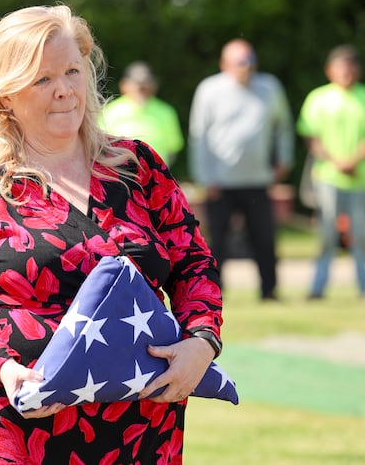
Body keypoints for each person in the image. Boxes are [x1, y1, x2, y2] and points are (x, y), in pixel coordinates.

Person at [0, 5, 224, 464]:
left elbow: (194, 263)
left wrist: (201, 341)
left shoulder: (136, 165)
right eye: (42, 79)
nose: (65, 90)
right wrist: (3, 368)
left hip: (136, 421)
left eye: (72, 70)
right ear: (5, 94)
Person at [188, 38, 294, 301]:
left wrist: (284, 159)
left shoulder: (270, 87)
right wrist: (204, 177)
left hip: (258, 179)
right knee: (217, 243)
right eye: (239, 62)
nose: (246, 67)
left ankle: (269, 290)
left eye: (250, 61)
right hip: (219, 182)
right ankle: (214, 293)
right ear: (225, 64)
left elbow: (284, 126)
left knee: (264, 238)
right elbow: (198, 135)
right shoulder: (209, 90)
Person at [296, 44, 365, 300]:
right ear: (329, 70)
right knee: (326, 236)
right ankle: (318, 288)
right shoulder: (319, 98)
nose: (346, 72)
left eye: (350, 66)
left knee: (361, 236)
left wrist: (353, 160)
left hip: (360, 178)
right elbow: (311, 136)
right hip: (328, 177)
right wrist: (336, 162)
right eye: (340, 66)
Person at [102, 61, 185, 165]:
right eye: (137, 83)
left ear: (154, 85)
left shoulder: (166, 112)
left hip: (157, 176)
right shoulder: (110, 111)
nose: (141, 88)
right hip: (119, 175)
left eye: (146, 82)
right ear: (124, 85)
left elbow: (172, 149)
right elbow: (99, 147)